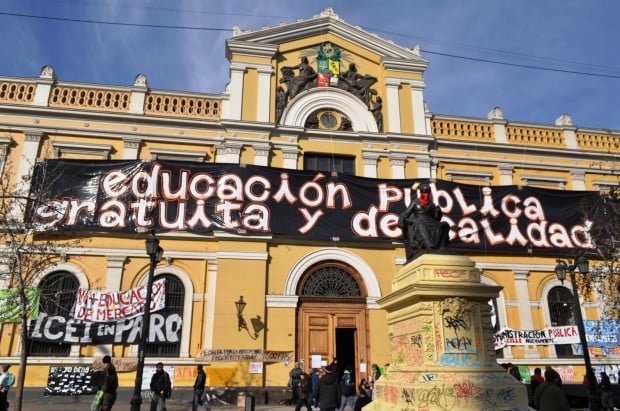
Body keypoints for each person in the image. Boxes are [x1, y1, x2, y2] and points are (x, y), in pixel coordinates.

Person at [398, 183, 451, 261]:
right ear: (421, 193)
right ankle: (428, 244)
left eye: (427, 192)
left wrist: (438, 212)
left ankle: (441, 246)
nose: (426, 194)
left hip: (431, 221)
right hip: (419, 220)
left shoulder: (432, 204)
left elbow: (436, 218)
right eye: (424, 192)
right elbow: (406, 213)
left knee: (444, 225)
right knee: (420, 224)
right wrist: (401, 220)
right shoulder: (415, 202)